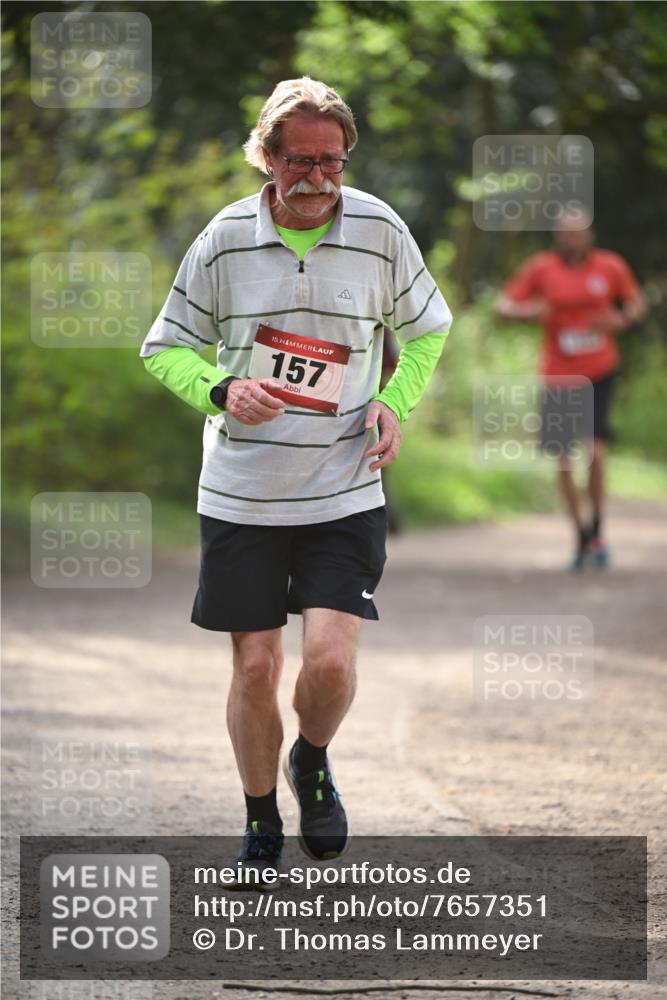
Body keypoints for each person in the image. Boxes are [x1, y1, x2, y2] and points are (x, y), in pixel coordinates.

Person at [139, 77, 453, 877]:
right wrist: (219, 388)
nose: (317, 178)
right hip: (242, 492)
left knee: (330, 662)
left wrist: (392, 404)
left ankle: (309, 756)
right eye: (299, 162)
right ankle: (258, 819)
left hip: (343, 485)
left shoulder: (378, 228)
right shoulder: (224, 239)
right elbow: (164, 346)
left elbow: (427, 329)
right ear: (266, 157)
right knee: (255, 666)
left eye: (331, 161)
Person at [495, 210, 646, 571]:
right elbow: (502, 306)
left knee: (595, 453)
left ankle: (597, 530)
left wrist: (621, 318)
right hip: (558, 374)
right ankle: (580, 534)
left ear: (590, 234)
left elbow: (637, 303)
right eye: (564, 233)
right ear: (556, 235)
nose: (570, 239)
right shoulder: (541, 268)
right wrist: (530, 311)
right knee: (563, 458)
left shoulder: (610, 266)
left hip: (599, 369)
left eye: (577, 233)